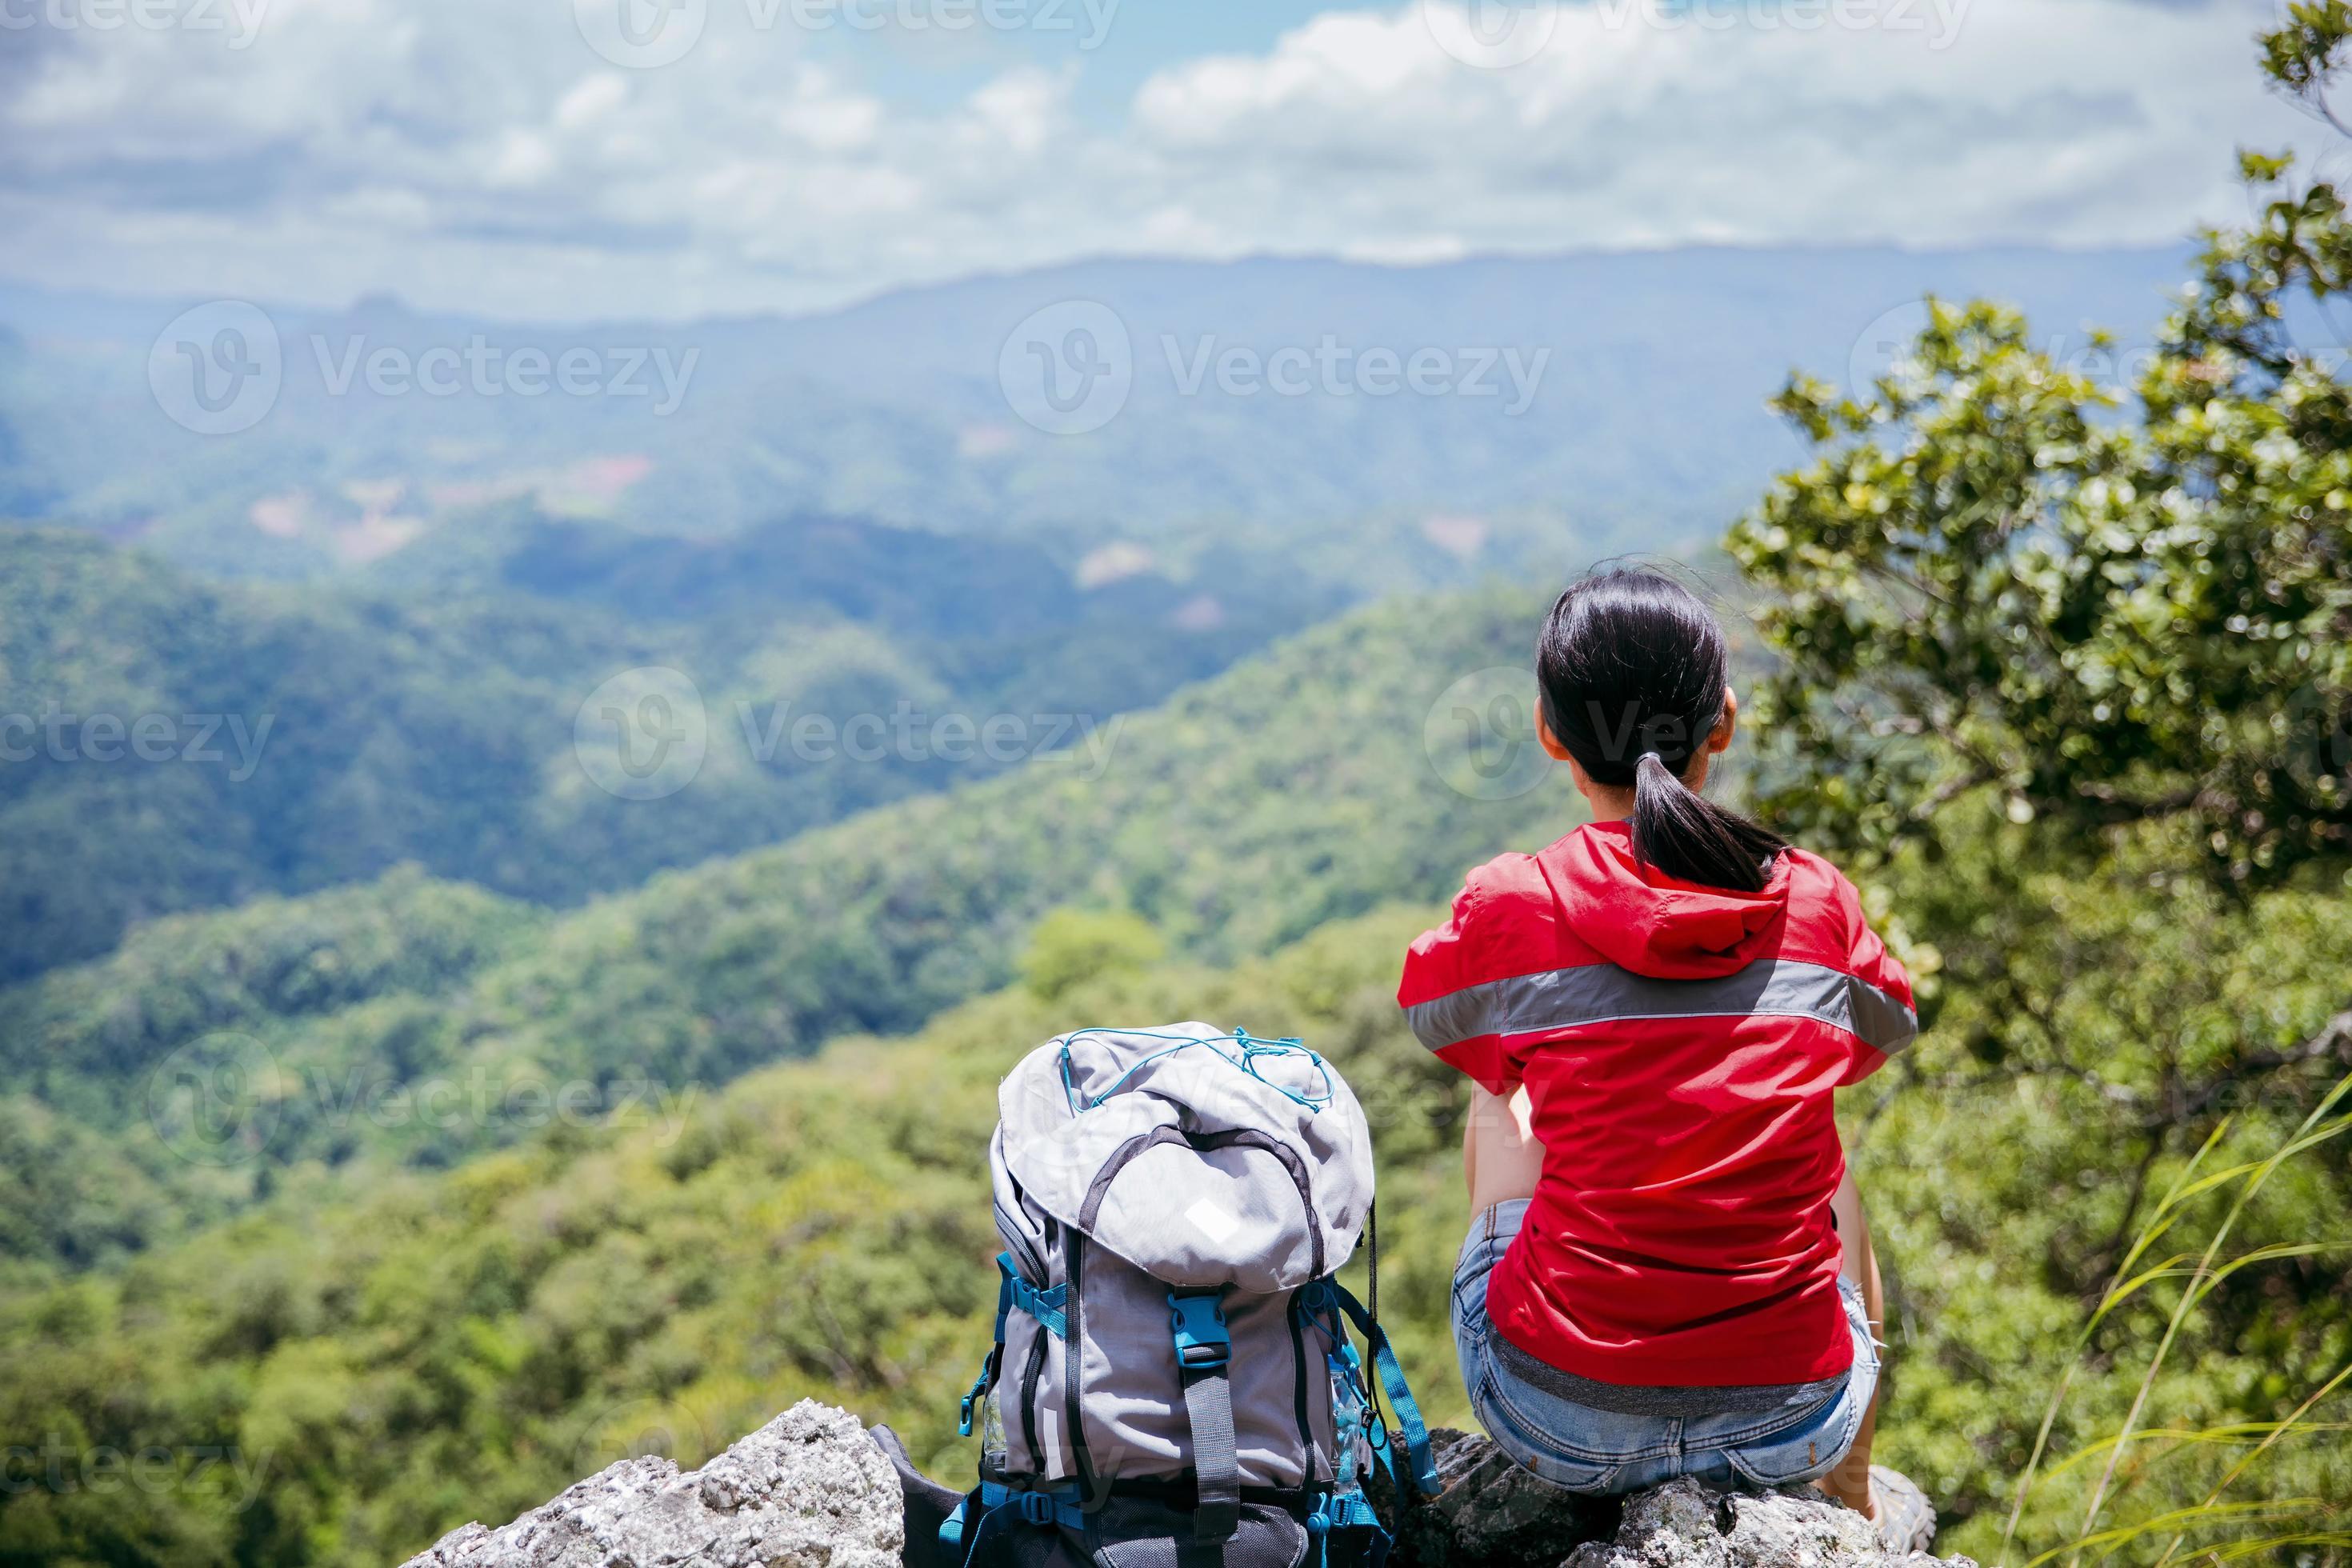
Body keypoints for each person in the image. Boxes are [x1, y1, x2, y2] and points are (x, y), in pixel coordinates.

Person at [1398, 568, 1937, 1552]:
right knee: (1827, 1149)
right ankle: (1850, 1471)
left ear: (1548, 731)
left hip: (1557, 1417)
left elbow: (1443, 1020)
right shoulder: (1813, 900)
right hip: (1791, 1417)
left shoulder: (1513, 900)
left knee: (1501, 1103)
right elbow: (1881, 1032)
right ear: (1722, 721)